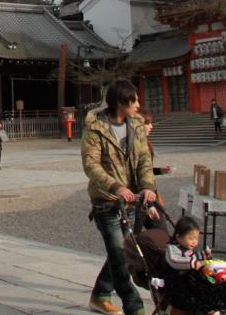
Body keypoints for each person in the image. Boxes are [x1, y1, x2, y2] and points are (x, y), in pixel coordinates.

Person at [82, 79, 156, 315]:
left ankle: (100, 295)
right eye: (134, 100)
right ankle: (134, 306)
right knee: (119, 253)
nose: (138, 104)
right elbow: (91, 165)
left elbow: (144, 159)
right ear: (120, 103)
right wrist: (114, 186)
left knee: (122, 253)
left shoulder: (135, 125)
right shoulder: (95, 128)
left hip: (132, 200)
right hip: (106, 201)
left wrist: (147, 186)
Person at [165, 215, 226, 314]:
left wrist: (204, 255)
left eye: (196, 238)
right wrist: (195, 263)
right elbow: (176, 261)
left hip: (190, 279)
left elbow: (195, 256)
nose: (194, 242)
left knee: (217, 278)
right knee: (207, 285)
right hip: (179, 282)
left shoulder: (187, 248)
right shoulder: (172, 249)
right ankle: (214, 306)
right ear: (178, 236)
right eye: (191, 238)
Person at [137, 110, 172, 232]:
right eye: (148, 123)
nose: (151, 126)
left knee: (160, 233)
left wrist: (159, 170)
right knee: (160, 234)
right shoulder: (135, 147)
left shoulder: (146, 143)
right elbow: (137, 174)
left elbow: (145, 170)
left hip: (149, 194)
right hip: (140, 197)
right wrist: (150, 204)